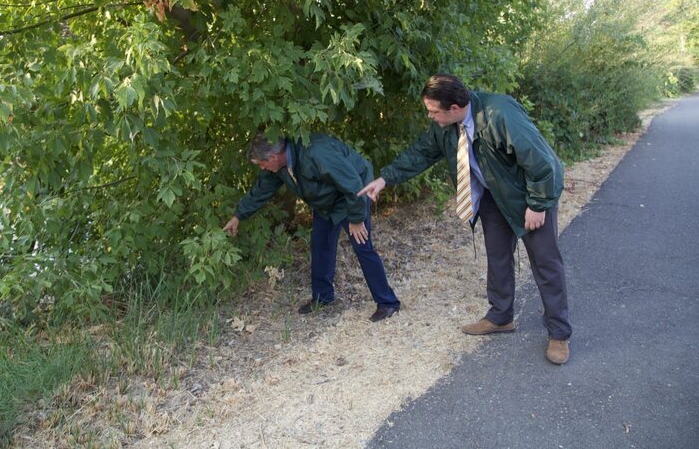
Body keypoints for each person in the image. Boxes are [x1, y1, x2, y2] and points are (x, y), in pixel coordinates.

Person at [358, 74, 572, 364]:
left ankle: (558, 333)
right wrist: (385, 179)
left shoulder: (500, 114)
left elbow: (543, 163)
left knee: (545, 262)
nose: (429, 116)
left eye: (433, 111)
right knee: (497, 256)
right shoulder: (446, 127)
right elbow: (420, 153)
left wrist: (538, 204)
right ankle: (500, 317)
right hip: (492, 196)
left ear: (456, 107)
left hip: (528, 196)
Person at [223, 132, 401, 322]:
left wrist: (356, 219)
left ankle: (388, 303)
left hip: (352, 195)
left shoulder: (317, 153)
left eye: (261, 163)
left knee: (362, 246)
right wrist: (238, 216)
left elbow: (352, 182)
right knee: (320, 245)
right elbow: (262, 189)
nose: (262, 167)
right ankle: (322, 298)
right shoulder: (279, 167)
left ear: (273, 157)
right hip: (325, 201)